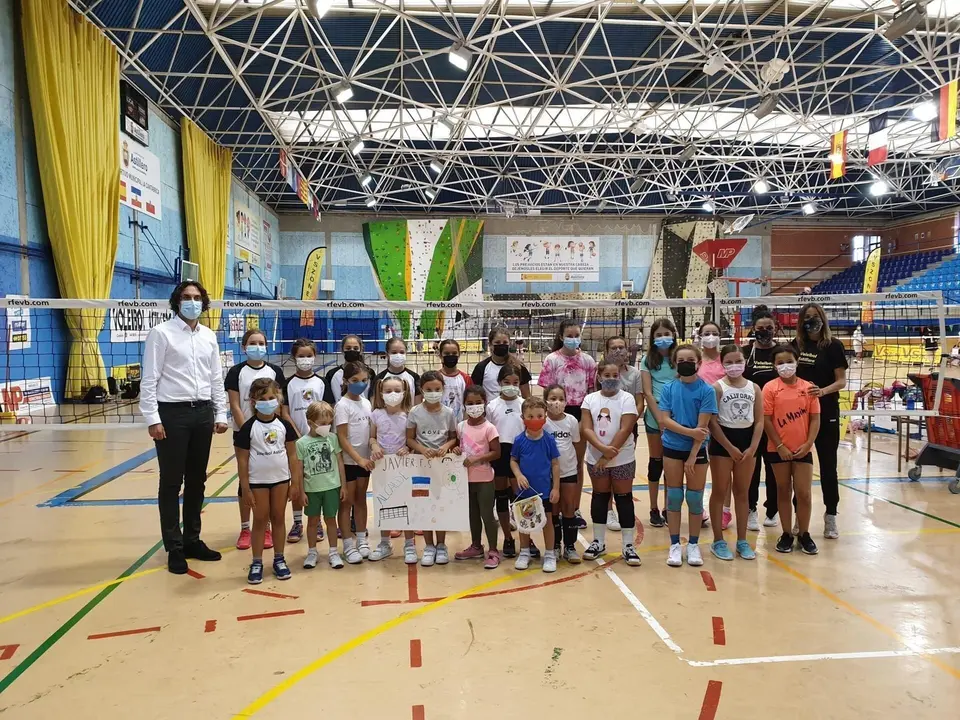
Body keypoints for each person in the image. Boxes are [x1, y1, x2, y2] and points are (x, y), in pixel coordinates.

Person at [140, 280, 228, 575]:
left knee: (197, 480)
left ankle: (192, 540)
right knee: (171, 482)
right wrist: (153, 418)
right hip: (172, 414)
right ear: (176, 301)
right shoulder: (161, 334)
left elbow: (216, 378)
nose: (192, 301)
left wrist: (221, 413)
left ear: (204, 302)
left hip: (202, 412)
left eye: (197, 297)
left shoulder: (208, 336)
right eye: (186, 297)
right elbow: (149, 379)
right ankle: (174, 547)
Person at [225, 329, 289, 551]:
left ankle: (267, 527)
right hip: (245, 432)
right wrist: (248, 431)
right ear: (244, 347)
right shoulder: (236, 371)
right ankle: (245, 527)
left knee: (270, 479)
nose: (257, 346)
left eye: (261, 342)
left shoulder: (275, 371)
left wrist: (273, 428)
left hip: (271, 433)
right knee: (247, 481)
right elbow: (234, 404)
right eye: (252, 342)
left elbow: (279, 404)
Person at [236, 378, 301, 584]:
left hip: (281, 480)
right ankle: (256, 562)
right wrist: (245, 488)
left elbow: (293, 456)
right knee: (261, 520)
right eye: (262, 398)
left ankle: (279, 559)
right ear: (253, 401)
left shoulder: (284, 426)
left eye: (272, 397)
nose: (268, 401)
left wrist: (295, 483)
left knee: (279, 518)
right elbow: (242, 460)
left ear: (279, 399)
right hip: (258, 482)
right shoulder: (248, 428)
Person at [658, 345, 717, 568]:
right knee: (673, 496)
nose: (685, 362)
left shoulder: (707, 391)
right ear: (675, 363)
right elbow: (665, 420)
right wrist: (689, 432)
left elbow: (702, 429)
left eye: (690, 359)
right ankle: (674, 544)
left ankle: (693, 544)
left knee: (694, 498)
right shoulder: (669, 388)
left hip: (697, 450)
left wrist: (694, 454)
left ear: (698, 362)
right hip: (673, 447)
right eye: (681, 359)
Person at [793, 302, 847, 540]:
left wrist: (822, 392)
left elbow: (841, 381)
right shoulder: (796, 346)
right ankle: (799, 516)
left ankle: (831, 515)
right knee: (799, 466)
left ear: (823, 319)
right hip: (800, 414)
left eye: (815, 316)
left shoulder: (833, 346)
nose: (811, 320)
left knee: (828, 466)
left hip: (826, 410)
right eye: (807, 317)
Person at [581, 359, 641, 566]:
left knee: (624, 498)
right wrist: (601, 449)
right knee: (600, 497)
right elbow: (587, 428)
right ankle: (598, 541)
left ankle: (628, 545)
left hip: (621, 457)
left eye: (615, 376)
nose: (612, 379)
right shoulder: (589, 399)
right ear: (599, 377)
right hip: (595, 458)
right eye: (607, 376)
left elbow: (626, 429)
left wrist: (607, 455)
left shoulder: (627, 399)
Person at [536, 318, 595, 528]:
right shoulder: (552, 360)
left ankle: (574, 507)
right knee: (553, 462)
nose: (573, 339)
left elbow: (590, 391)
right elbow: (545, 392)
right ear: (561, 337)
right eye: (569, 335)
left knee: (576, 464)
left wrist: (586, 419)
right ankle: (553, 507)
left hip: (578, 414)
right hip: (554, 413)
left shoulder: (588, 361)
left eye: (576, 335)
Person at [763, 345, 821, 555]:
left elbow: (815, 419)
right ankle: (787, 533)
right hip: (778, 450)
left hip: (803, 450)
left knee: (804, 494)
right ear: (774, 365)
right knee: (783, 491)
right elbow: (767, 420)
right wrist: (779, 446)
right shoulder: (770, 388)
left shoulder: (809, 388)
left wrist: (808, 444)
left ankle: (804, 533)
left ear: (797, 361)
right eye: (780, 363)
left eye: (789, 361)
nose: (785, 366)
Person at [708, 345, 762, 561]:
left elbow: (759, 422)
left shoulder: (754, 388)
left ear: (744, 361)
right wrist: (729, 447)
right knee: (720, 491)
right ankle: (718, 541)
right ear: (722, 364)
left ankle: (742, 540)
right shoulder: (717, 387)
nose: (734, 365)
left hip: (747, 443)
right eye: (728, 362)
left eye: (738, 361)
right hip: (723, 443)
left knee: (742, 492)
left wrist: (752, 448)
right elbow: (712, 421)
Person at [406, 370, 459, 566]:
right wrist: (422, 449)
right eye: (429, 389)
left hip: (442, 466)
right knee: (424, 506)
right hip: (421, 465)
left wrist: (446, 446)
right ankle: (429, 545)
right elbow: (409, 438)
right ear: (422, 390)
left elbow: (454, 437)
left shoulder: (449, 413)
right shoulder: (414, 412)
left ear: (443, 390)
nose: (433, 393)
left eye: (437, 389)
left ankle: (441, 545)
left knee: (441, 504)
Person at [510, 396, 561, 572]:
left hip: (544, 490)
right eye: (530, 416)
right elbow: (513, 460)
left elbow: (555, 464)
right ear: (523, 418)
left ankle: (549, 554)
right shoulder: (519, 440)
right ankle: (524, 553)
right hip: (524, 491)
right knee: (524, 522)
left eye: (539, 415)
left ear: (545, 417)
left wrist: (556, 488)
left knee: (547, 521)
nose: (534, 420)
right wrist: (518, 475)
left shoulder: (548, 440)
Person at [284, 338, 326, 544]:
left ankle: (316, 521)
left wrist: (318, 433)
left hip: (318, 439)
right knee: (297, 480)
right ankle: (298, 521)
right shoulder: (288, 383)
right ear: (294, 357)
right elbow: (284, 411)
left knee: (315, 481)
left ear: (315, 356)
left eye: (309, 355)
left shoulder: (321, 382)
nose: (305, 359)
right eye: (301, 356)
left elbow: (327, 410)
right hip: (295, 440)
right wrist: (296, 435)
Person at [454, 386, 502, 568]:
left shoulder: (489, 428)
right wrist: (456, 449)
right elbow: (458, 447)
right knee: (472, 514)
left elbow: (496, 453)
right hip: (466, 479)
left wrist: (478, 458)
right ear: (464, 405)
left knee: (487, 515)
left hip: (484, 479)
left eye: (478, 403)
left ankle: (493, 550)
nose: (474, 407)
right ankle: (476, 546)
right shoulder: (460, 426)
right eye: (470, 404)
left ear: (485, 403)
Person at [742, 305, 780, 530]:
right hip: (750, 419)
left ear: (775, 328)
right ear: (753, 329)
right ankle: (750, 509)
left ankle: (773, 509)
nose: (765, 331)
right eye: (760, 328)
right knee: (752, 467)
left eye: (769, 327)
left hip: (776, 420)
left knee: (774, 467)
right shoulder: (745, 353)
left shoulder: (783, 352)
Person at [295, 401, 345, 569]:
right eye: (323, 423)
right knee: (312, 521)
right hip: (312, 489)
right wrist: (301, 492)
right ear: (311, 422)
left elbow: (339, 463)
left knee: (331, 520)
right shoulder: (301, 443)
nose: (327, 426)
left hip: (331, 487)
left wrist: (343, 486)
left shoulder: (332, 438)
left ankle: (333, 552)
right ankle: (312, 552)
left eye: (330, 423)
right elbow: (299, 470)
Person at [368, 375, 413, 562]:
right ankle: (385, 543)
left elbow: (412, 439)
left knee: (408, 504)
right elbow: (371, 438)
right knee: (384, 503)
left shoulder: (409, 415)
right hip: (383, 467)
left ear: (404, 393)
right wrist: (375, 446)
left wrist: (408, 448)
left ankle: (409, 544)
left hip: (404, 466)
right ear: (381, 393)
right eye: (388, 391)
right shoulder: (376, 414)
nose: (392, 394)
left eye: (396, 391)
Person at [486, 364, 528, 559]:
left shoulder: (524, 404)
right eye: (506, 383)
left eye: (515, 383)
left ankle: (527, 539)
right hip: (500, 452)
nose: (511, 386)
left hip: (520, 452)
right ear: (499, 383)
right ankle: (508, 538)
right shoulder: (492, 406)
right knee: (501, 496)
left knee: (520, 498)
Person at [334, 361, 374, 563]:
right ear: (346, 381)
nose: (360, 384)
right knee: (346, 502)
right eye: (355, 380)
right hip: (350, 462)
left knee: (361, 499)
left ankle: (362, 539)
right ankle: (348, 545)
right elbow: (341, 437)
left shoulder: (366, 403)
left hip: (364, 462)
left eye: (364, 380)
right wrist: (357, 459)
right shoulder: (342, 405)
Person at [603, 335, 644, 531]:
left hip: (628, 428)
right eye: (614, 347)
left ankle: (621, 507)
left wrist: (627, 424)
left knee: (622, 467)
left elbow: (639, 402)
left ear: (627, 351)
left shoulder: (635, 374)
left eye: (621, 347)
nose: (618, 351)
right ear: (607, 351)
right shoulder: (601, 371)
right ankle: (609, 510)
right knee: (606, 466)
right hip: (604, 425)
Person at [640, 317, 678, 528]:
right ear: (652, 338)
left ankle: (668, 507)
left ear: (673, 335)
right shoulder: (648, 361)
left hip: (677, 417)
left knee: (672, 465)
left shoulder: (678, 358)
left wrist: (672, 417)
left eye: (666, 334)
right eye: (658, 335)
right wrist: (661, 419)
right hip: (655, 419)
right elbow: (647, 392)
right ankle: (654, 507)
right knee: (657, 463)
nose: (663, 338)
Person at [544, 384, 585, 563]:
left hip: (568, 469)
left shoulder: (571, 421)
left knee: (569, 507)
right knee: (553, 509)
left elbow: (576, 444)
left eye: (561, 399)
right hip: (548, 473)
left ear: (567, 401)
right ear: (546, 401)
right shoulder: (543, 421)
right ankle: (554, 545)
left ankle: (570, 546)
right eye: (553, 399)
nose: (557, 402)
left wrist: (576, 465)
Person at [471, 326, 532, 400]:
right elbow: (475, 395)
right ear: (490, 344)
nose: (501, 345)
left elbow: (527, 397)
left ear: (509, 344)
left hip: (514, 410)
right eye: (497, 342)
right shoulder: (481, 367)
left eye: (505, 342)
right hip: (490, 410)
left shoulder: (518, 367)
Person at [324, 335, 373, 405]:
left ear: (361, 350)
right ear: (342, 350)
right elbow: (329, 402)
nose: (352, 351)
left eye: (355, 348)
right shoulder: (332, 374)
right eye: (348, 348)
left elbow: (372, 397)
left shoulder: (369, 372)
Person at [375, 337, 421, 403]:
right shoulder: (379, 378)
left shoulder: (414, 377)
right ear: (387, 355)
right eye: (394, 352)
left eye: (402, 352)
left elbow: (417, 404)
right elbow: (375, 402)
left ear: (406, 353)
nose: (398, 355)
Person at [438, 339, 472, 422]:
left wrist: (464, 425)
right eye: (446, 354)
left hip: (460, 424)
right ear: (440, 355)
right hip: (439, 425)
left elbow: (470, 403)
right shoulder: (436, 377)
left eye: (454, 353)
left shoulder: (466, 378)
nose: (450, 356)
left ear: (459, 355)